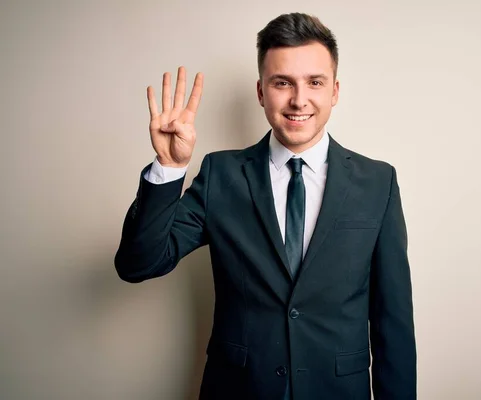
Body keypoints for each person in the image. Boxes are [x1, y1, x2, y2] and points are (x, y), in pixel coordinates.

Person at [115, 12, 416, 400]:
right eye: (282, 83)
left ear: (335, 91)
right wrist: (170, 168)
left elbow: (394, 322)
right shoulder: (220, 175)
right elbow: (138, 264)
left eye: (315, 82)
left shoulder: (378, 183)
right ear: (261, 92)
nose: (298, 99)